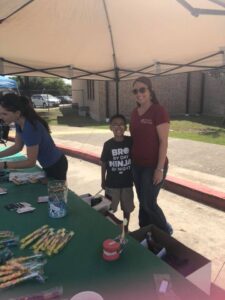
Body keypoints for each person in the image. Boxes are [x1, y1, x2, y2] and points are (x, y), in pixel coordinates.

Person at [130, 76, 172, 235]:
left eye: (142, 90)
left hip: (153, 166)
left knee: (149, 203)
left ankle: (165, 232)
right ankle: (145, 231)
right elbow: (135, 139)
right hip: (137, 165)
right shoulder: (134, 112)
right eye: (135, 91)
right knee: (142, 202)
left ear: (150, 91)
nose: (139, 93)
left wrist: (159, 169)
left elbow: (163, 142)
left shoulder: (158, 111)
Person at [0, 93, 68, 180]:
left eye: (4, 114)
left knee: (57, 191)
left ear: (17, 113)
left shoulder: (30, 128)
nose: (1, 117)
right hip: (50, 164)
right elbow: (17, 147)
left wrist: (4, 165)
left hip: (56, 165)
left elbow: (31, 162)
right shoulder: (19, 122)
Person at [101, 114, 134, 231]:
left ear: (125, 127)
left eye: (121, 124)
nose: (118, 127)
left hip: (127, 184)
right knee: (109, 209)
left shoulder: (131, 141)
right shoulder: (108, 144)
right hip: (111, 184)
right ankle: (113, 226)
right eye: (115, 124)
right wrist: (103, 180)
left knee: (127, 209)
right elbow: (104, 163)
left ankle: (125, 227)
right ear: (110, 127)